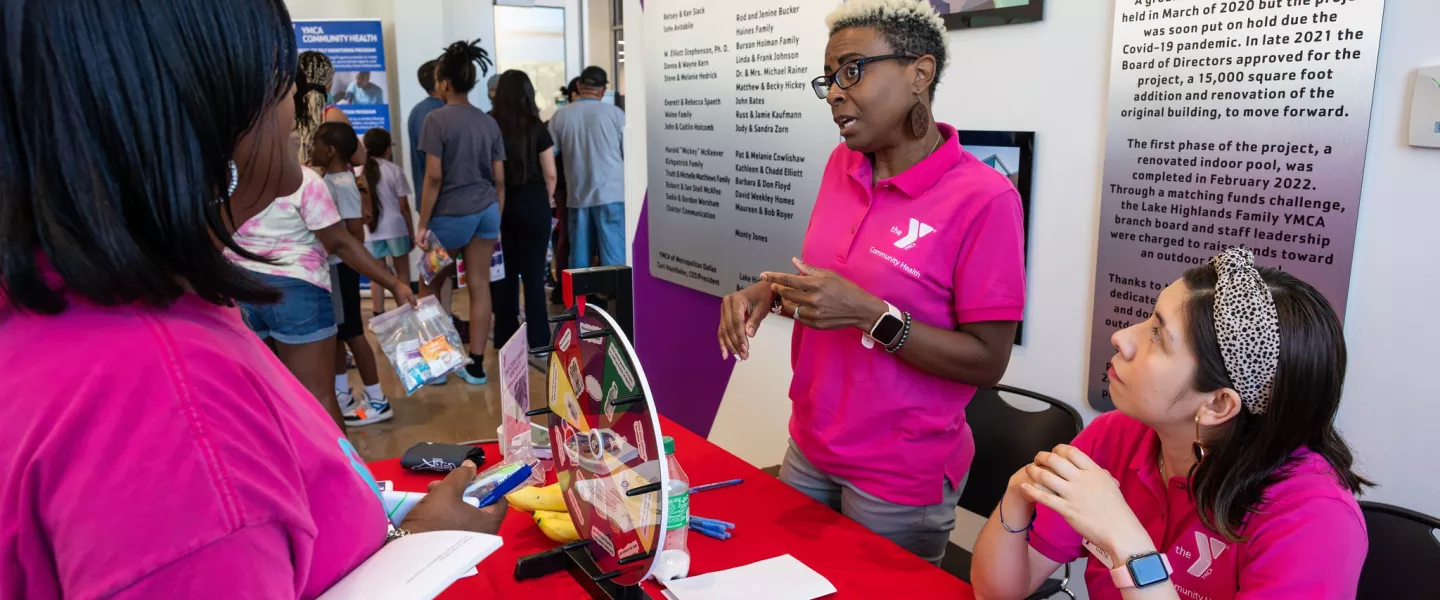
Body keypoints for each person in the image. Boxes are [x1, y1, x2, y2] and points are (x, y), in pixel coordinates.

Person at [0, 1, 504, 597]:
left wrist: (375, 513)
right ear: (205, 116)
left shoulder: (97, 311)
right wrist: (419, 538)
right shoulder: (171, 410)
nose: (297, 100)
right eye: (279, 76)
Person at [715, 0, 1025, 566]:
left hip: (899, 476)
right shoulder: (843, 166)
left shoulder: (985, 199)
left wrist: (872, 316)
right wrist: (770, 291)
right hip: (809, 446)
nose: (835, 91)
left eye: (852, 70)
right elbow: (831, 289)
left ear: (919, 74)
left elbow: (987, 361)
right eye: (829, 77)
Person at [971, 248, 1370, 599]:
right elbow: (996, 592)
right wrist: (1017, 496)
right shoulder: (1117, 435)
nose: (1122, 337)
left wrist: (1127, 543)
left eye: (1158, 336)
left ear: (1217, 404)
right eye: (1149, 320)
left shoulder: (1314, 519)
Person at [417, 39, 505, 385]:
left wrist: (423, 223)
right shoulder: (488, 122)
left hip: (449, 218)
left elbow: (434, 176)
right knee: (480, 285)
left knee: (428, 285)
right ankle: (477, 365)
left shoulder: (434, 120)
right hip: (486, 212)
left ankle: (437, 366)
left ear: (445, 83)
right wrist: (495, 215)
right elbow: (499, 179)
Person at [310, 122, 394, 426]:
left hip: (341, 268)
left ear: (330, 151)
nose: (311, 148)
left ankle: (377, 399)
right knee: (338, 333)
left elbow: (354, 233)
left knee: (353, 332)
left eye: (316, 143)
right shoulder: (332, 179)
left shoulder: (342, 183)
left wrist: (340, 250)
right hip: (332, 267)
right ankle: (342, 394)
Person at [492, 70, 560, 351]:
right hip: (534, 205)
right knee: (533, 277)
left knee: (503, 276)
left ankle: (506, 338)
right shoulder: (537, 127)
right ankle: (540, 340)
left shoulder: (491, 123)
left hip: (500, 207)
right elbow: (551, 174)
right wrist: (545, 201)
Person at [549, 66, 625, 268]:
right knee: (614, 254)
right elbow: (629, 153)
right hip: (612, 193)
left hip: (578, 195)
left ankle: (580, 298)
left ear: (579, 86)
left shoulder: (560, 116)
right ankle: (615, 298)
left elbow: (550, 156)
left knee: (580, 256)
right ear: (602, 90)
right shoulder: (616, 115)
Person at [358, 128, 417, 317]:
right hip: (396, 228)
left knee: (378, 275)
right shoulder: (394, 170)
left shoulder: (360, 172)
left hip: (372, 231)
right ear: (387, 149)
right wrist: (411, 230)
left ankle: (379, 314)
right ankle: (406, 311)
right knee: (402, 274)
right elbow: (403, 206)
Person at [295, 51, 365, 166]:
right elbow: (360, 159)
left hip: (292, 180)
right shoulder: (333, 115)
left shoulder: (284, 112)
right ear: (328, 83)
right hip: (325, 182)